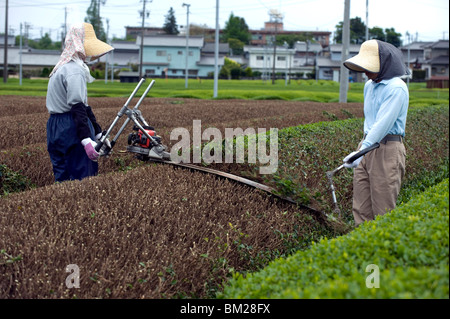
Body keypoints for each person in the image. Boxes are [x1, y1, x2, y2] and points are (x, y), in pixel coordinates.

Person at [342, 39, 409, 226]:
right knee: (361, 208)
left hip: (387, 149)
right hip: (366, 147)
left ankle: (384, 252)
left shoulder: (396, 88)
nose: (365, 72)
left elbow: (382, 124)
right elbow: (369, 121)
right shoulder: (369, 86)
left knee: (383, 209)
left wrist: (361, 151)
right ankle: (362, 250)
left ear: (385, 64)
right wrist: (361, 149)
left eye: (369, 67)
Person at [46, 23, 113, 182]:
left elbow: (83, 106)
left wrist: (97, 132)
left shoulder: (60, 68)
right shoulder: (75, 70)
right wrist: (86, 139)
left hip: (55, 126)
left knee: (62, 175)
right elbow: (77, 107)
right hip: (71, 127)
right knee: (82, 177)